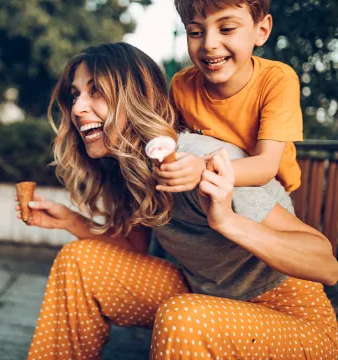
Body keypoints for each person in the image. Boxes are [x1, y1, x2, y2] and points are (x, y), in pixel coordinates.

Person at [17, 42, 338, 360]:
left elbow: (325, 263)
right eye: (75, 95)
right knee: (79, 261)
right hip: (206, 296)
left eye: (96, 91)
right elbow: (139, 251)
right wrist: (72, 221)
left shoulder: (200, 158)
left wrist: (227, 220)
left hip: (294, 321)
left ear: (135, 98)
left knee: (183, 318)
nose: (77, 109)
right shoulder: (131, 168)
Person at [157, 0, 303, 195]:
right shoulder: (181, 85)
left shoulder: (277, 80)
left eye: (226, 29)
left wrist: (202, 168)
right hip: (213, 189)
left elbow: (266, 165)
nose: (209, 44)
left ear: (261, 30)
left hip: (270, 192)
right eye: (195, 32)